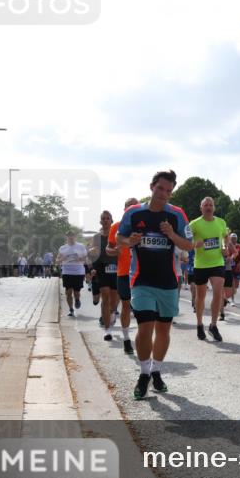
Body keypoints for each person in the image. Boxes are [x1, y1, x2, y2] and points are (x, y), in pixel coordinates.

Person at [116, 169, 193, 400]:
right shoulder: (134, 212)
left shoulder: (177, 215)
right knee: (145, 328)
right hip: (141, 279)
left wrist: (171, 234)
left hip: (168, 280)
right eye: (160, 188)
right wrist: (129, 241)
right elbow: (120, 238)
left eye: (169, 191)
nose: (163, 194)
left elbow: (188, 246)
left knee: (163, 329)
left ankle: (156, 370)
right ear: (151, 187)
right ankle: (143, 373)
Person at [189, 196, 228, 341]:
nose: (208, 207)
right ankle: (199, 324)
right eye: (205, 205)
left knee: (218, 293)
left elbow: (225, 237)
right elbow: (186, 239)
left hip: (217, 262)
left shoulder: (221, 222)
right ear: (201, 208)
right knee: (201, 297)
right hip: (201, 264)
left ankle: (213, 325)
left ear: (214, 208)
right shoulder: (194, 224)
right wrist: (194, 243)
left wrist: (224, 247)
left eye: (210, 205)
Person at [108, 197, 139, 354]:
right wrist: (114, 251)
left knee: (142, 309)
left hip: (142, 272)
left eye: (135, 206)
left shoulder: (144, 225)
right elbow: (109, 249)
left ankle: (142, 339)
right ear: (124, 210)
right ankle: (127, 339)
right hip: (124, 272)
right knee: (126, 306)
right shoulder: (116, 227)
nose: (132, 209)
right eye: (129, 207)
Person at [90, 211, 119, 340]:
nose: (106, 220)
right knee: (105, 297)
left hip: (117, 268)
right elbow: (94, 253)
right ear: (100, 221)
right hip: (101, 268)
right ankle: (107, 330)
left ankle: (112, 313)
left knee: (113, 302)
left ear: (112, 221)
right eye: (103, 218)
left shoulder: (117, 234)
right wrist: (92, 265)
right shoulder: (97, 237)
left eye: (108, 218)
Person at [57, 232, 88, 317]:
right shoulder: (62, 248)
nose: (70, 238)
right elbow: (57, 260)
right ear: (66, 237)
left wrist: (80, 258)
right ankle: (71, 309)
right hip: (67, 272)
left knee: (76, 291)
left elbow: (86, 257)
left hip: (78, 272)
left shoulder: (81, 246)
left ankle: (77, 299)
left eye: (72, 236)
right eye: (69, 236)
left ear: (75, 237)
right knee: (68, 292)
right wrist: (61, 259)